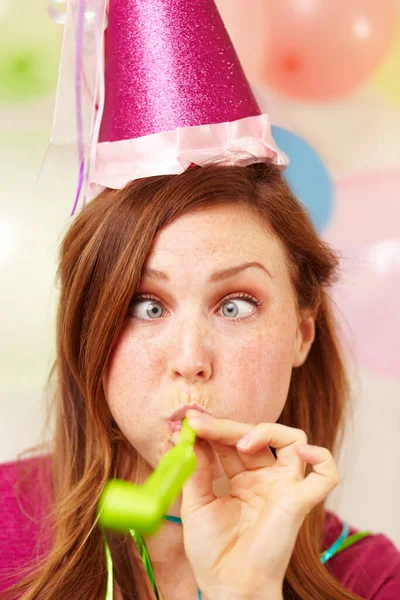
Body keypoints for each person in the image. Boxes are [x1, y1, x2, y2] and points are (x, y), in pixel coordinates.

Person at [1, 0, 400, 598]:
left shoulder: (371, 580)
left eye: (235, 305)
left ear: (302, 330)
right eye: (147, 306)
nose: (190, 359)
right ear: (92, 326)